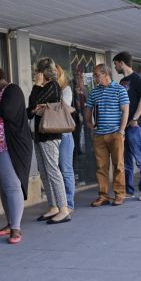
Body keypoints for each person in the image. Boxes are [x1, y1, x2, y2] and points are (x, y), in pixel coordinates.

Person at [0, 66, 33, 244]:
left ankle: (16, 228)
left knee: (12, 185)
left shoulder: (13, 90)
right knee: (3, 186)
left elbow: (7, 112)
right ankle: (10, 222)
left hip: (9, 146)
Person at [27, 58, 71, 223]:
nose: (35, 75)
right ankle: (53, 206)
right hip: (39, 135)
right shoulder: (43, 88)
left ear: (42, 72)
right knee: (44, 172)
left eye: (37, 71)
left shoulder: (52, 85)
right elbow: (30, 110)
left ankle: (64, 209)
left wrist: (37, 87)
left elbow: (33, 103)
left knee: (53, 171)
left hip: (50, 135)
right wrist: (35, 107)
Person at [84, 64, 130, 206]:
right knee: (101, 167)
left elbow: (125, 111)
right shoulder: (94, 91)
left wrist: (121, 131)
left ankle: (119, 194)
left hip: (115, 133)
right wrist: (88, 122)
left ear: (105, 74)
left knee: (118, 165)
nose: (95, 77)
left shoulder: (119, 89)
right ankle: (103, 196)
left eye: (97, 75)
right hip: (99, 135)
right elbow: (88, 107)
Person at [113, 51, 141, 202]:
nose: (115, 67)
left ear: (122, 63)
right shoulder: (122, 82)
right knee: (126, 160)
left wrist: (135, 118)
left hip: (135, 126)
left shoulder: (137, 78)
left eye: (115, 64)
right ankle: (129, 190)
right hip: (124, 127)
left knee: (140, 158)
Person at [56, 65, 76, 212]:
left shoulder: (66, 90)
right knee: (55, 170)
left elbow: (64, 107)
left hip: (64, 133)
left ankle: (69, 203)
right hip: (51, 135)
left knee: (66, 169)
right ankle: (59, 203)